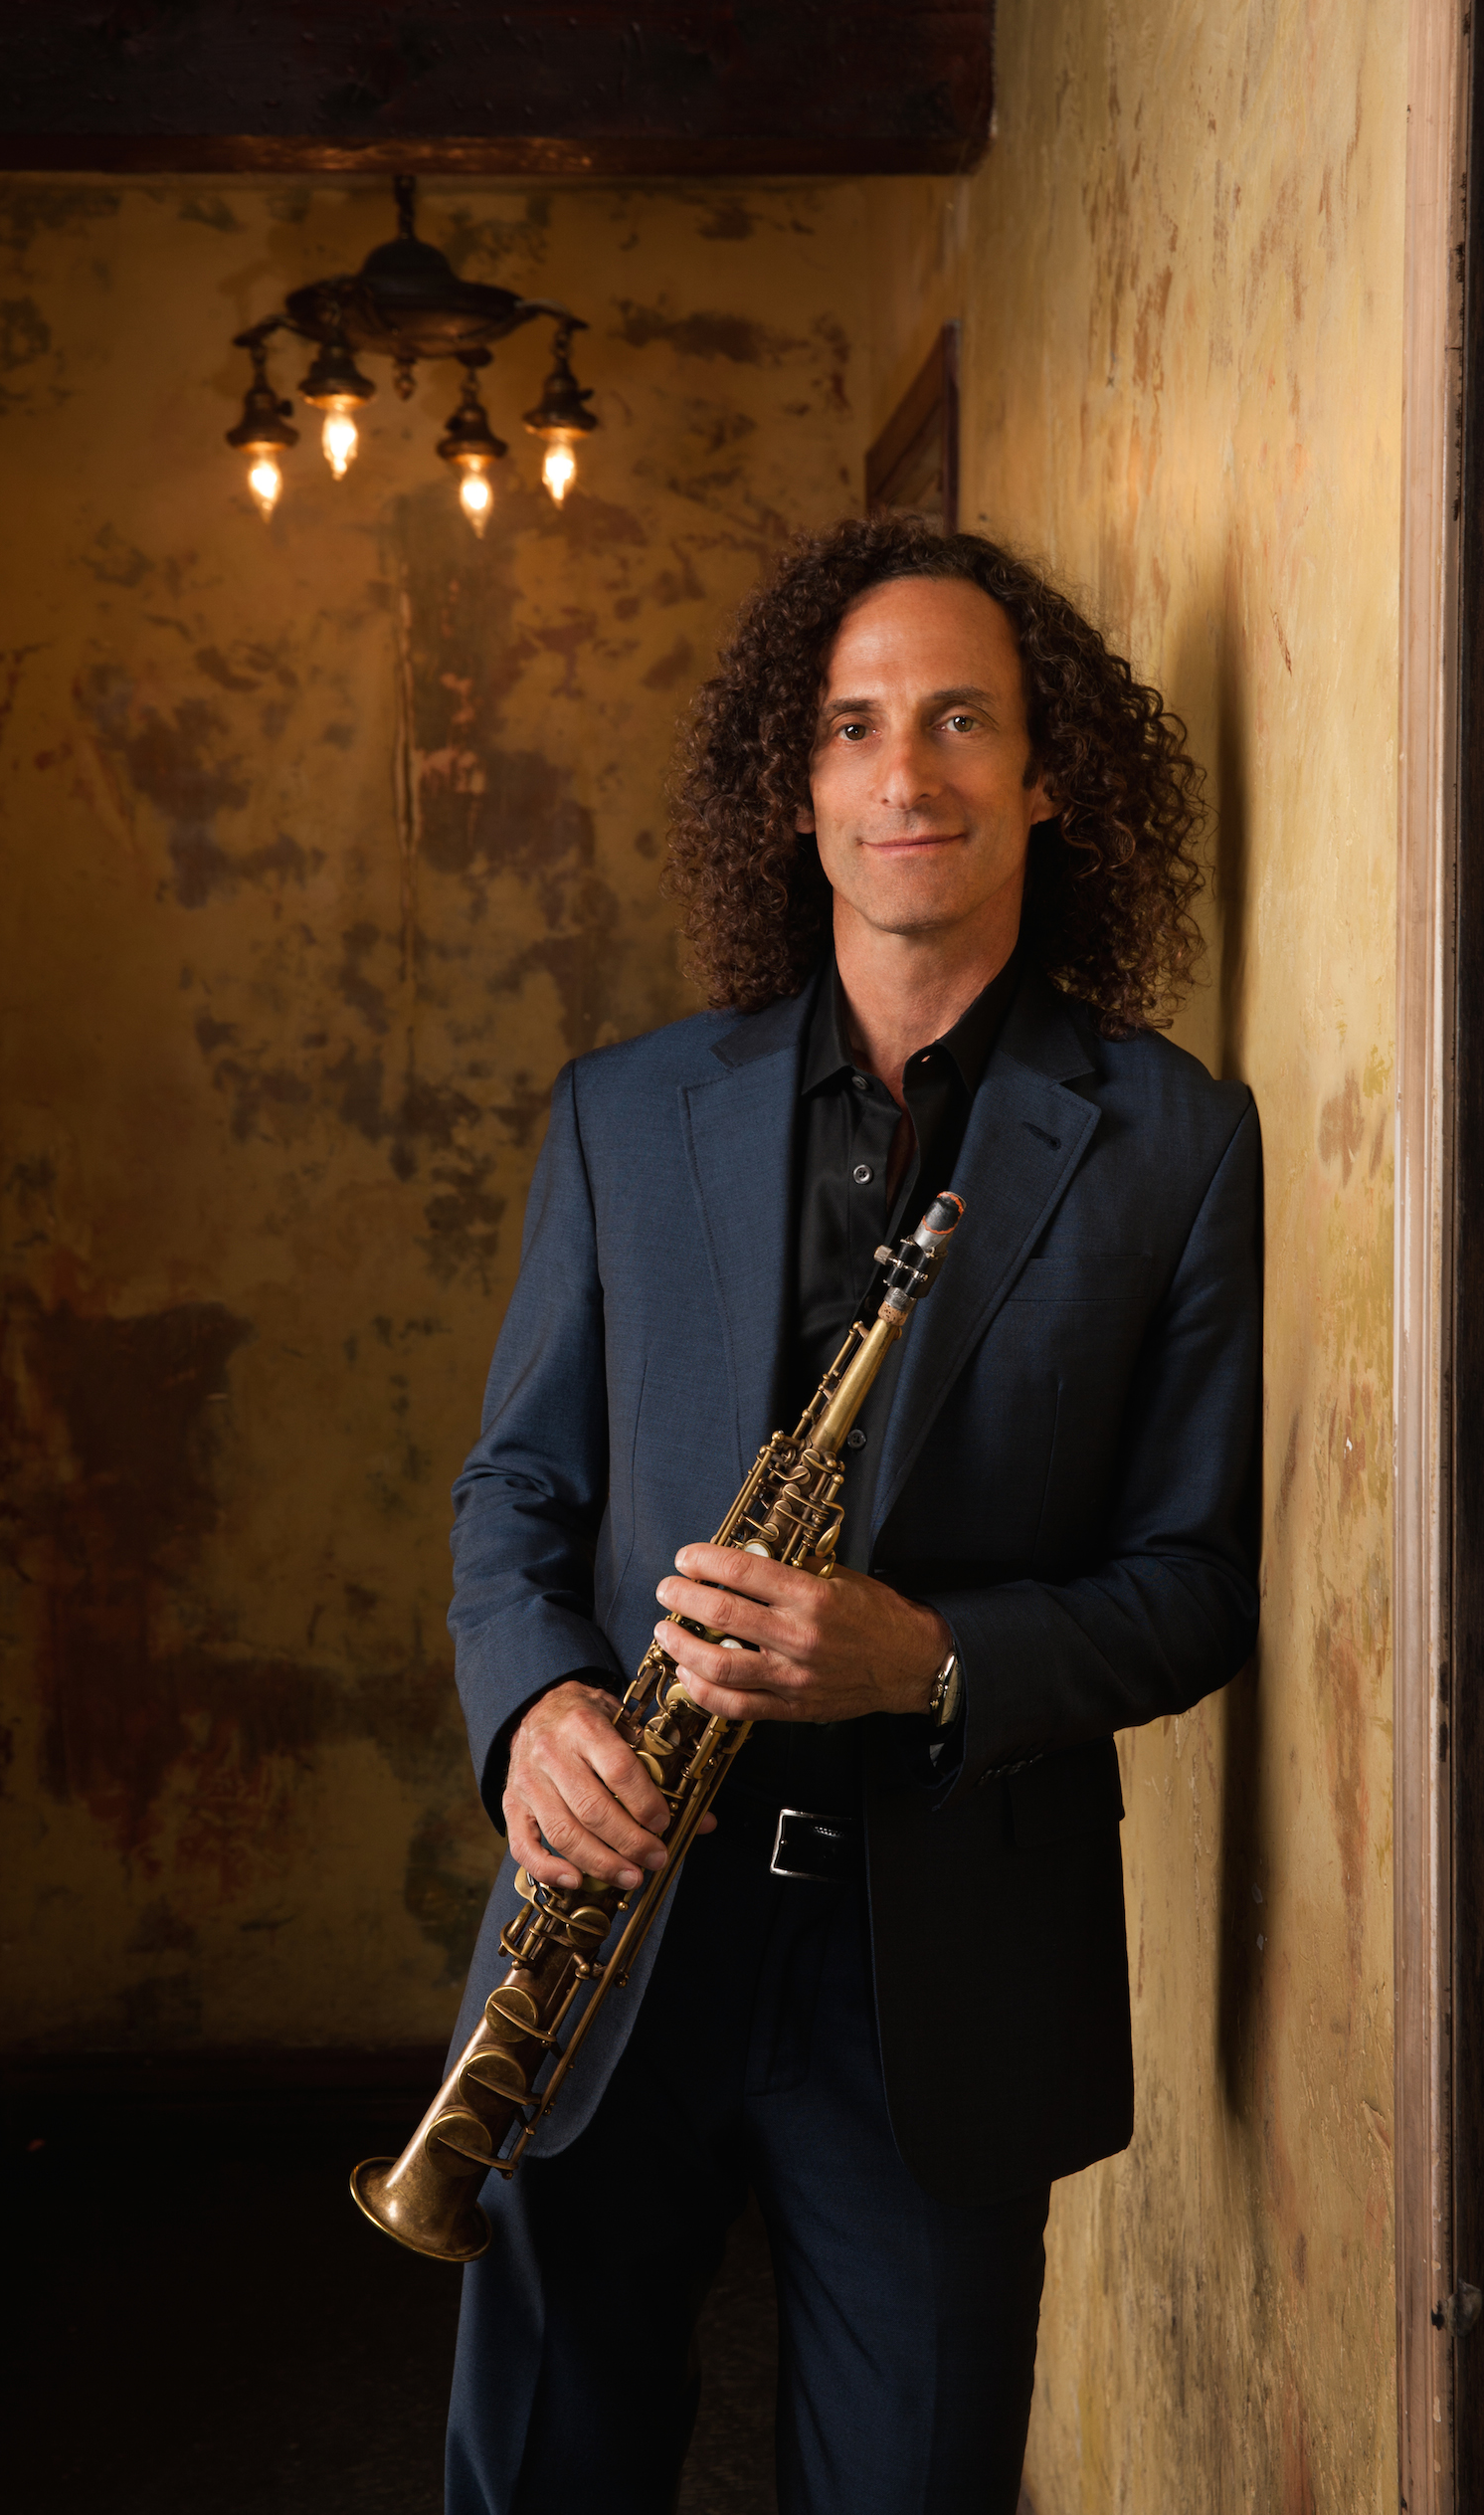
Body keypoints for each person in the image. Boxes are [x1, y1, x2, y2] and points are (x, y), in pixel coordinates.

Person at [440, 516, 1261, 2515]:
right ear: (795, 786)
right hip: (615, 1923)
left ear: (1047, 774)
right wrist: (536, 1710)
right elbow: (517, 1490)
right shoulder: (624, 1112)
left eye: (962, 719)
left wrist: (928, 1656)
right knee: (539, 2472)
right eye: (853, 725)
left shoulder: (1176, 1138)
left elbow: (1193, 1584)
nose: (908, 773)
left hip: (942, 1974)